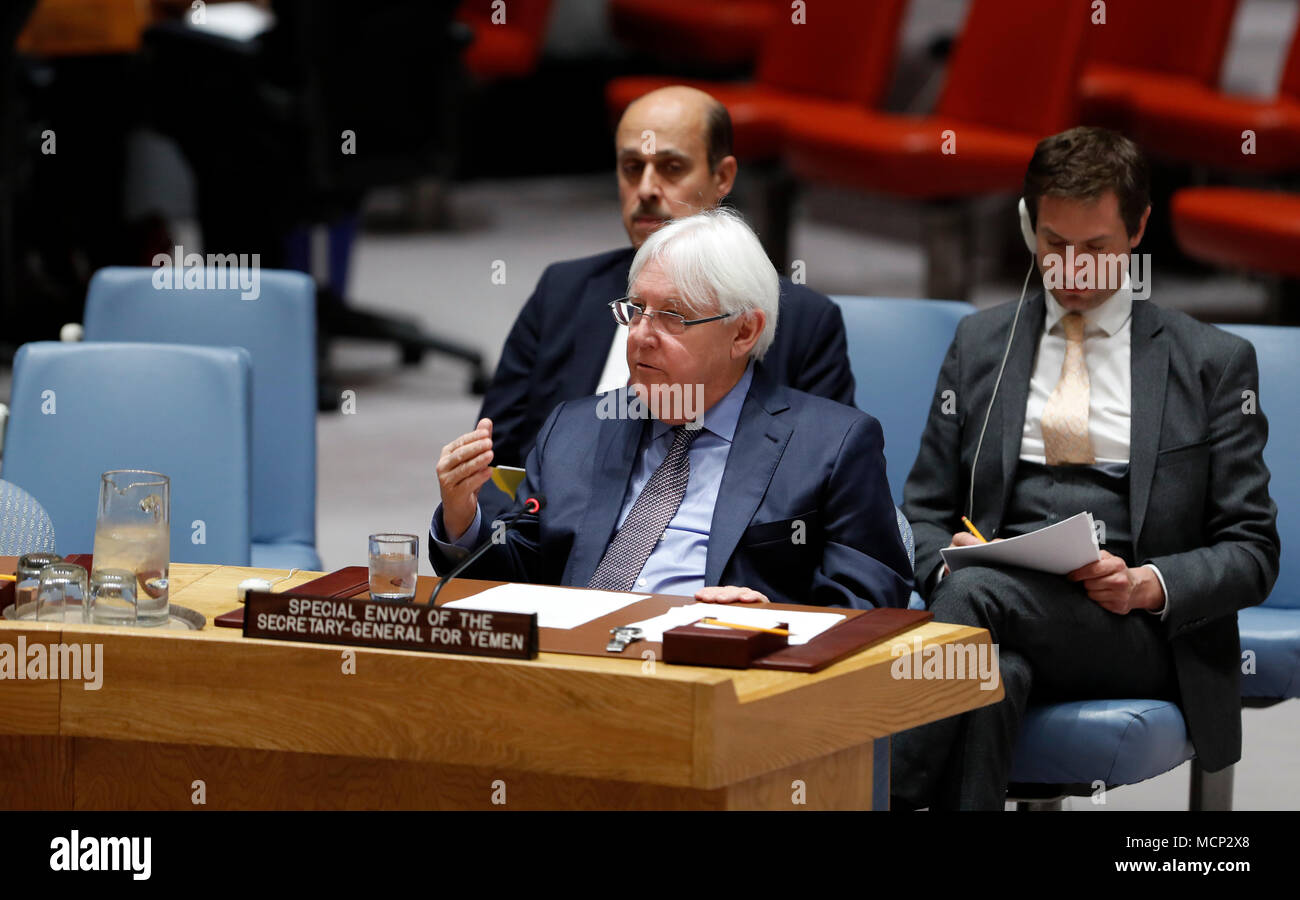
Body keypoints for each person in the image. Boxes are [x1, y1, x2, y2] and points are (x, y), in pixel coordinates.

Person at [893, 126, 1280, 810]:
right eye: (1054, 245)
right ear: (1028, 228)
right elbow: (925, 507)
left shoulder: (1211, 363)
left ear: (1138, 231)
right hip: (993, 604)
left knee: (976, 598)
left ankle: (870, 790)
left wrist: (1147, 583)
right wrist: (944, 562)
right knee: (995, 676)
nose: (1071, 271)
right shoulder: (981, 343)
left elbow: (1252, 551)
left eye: (1096, 249)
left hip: (1134, 628)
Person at [430, 209, 911, 610]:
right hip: (573, 673)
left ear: (743, 332)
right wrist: (463, 517)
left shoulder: (833, 445)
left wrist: (779, 624)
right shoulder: (574, 428)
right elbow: (518, 577)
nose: (640, 335)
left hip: (721, 686)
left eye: (673, 317)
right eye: (636, 309)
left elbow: (869, 604)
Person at [478, 85, 856, 469]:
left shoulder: (805, 321)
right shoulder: (562, 291)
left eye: (671, 168)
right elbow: (494, 461)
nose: (645, 189)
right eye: (631, 168)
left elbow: (827, 475)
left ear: (723, 177)